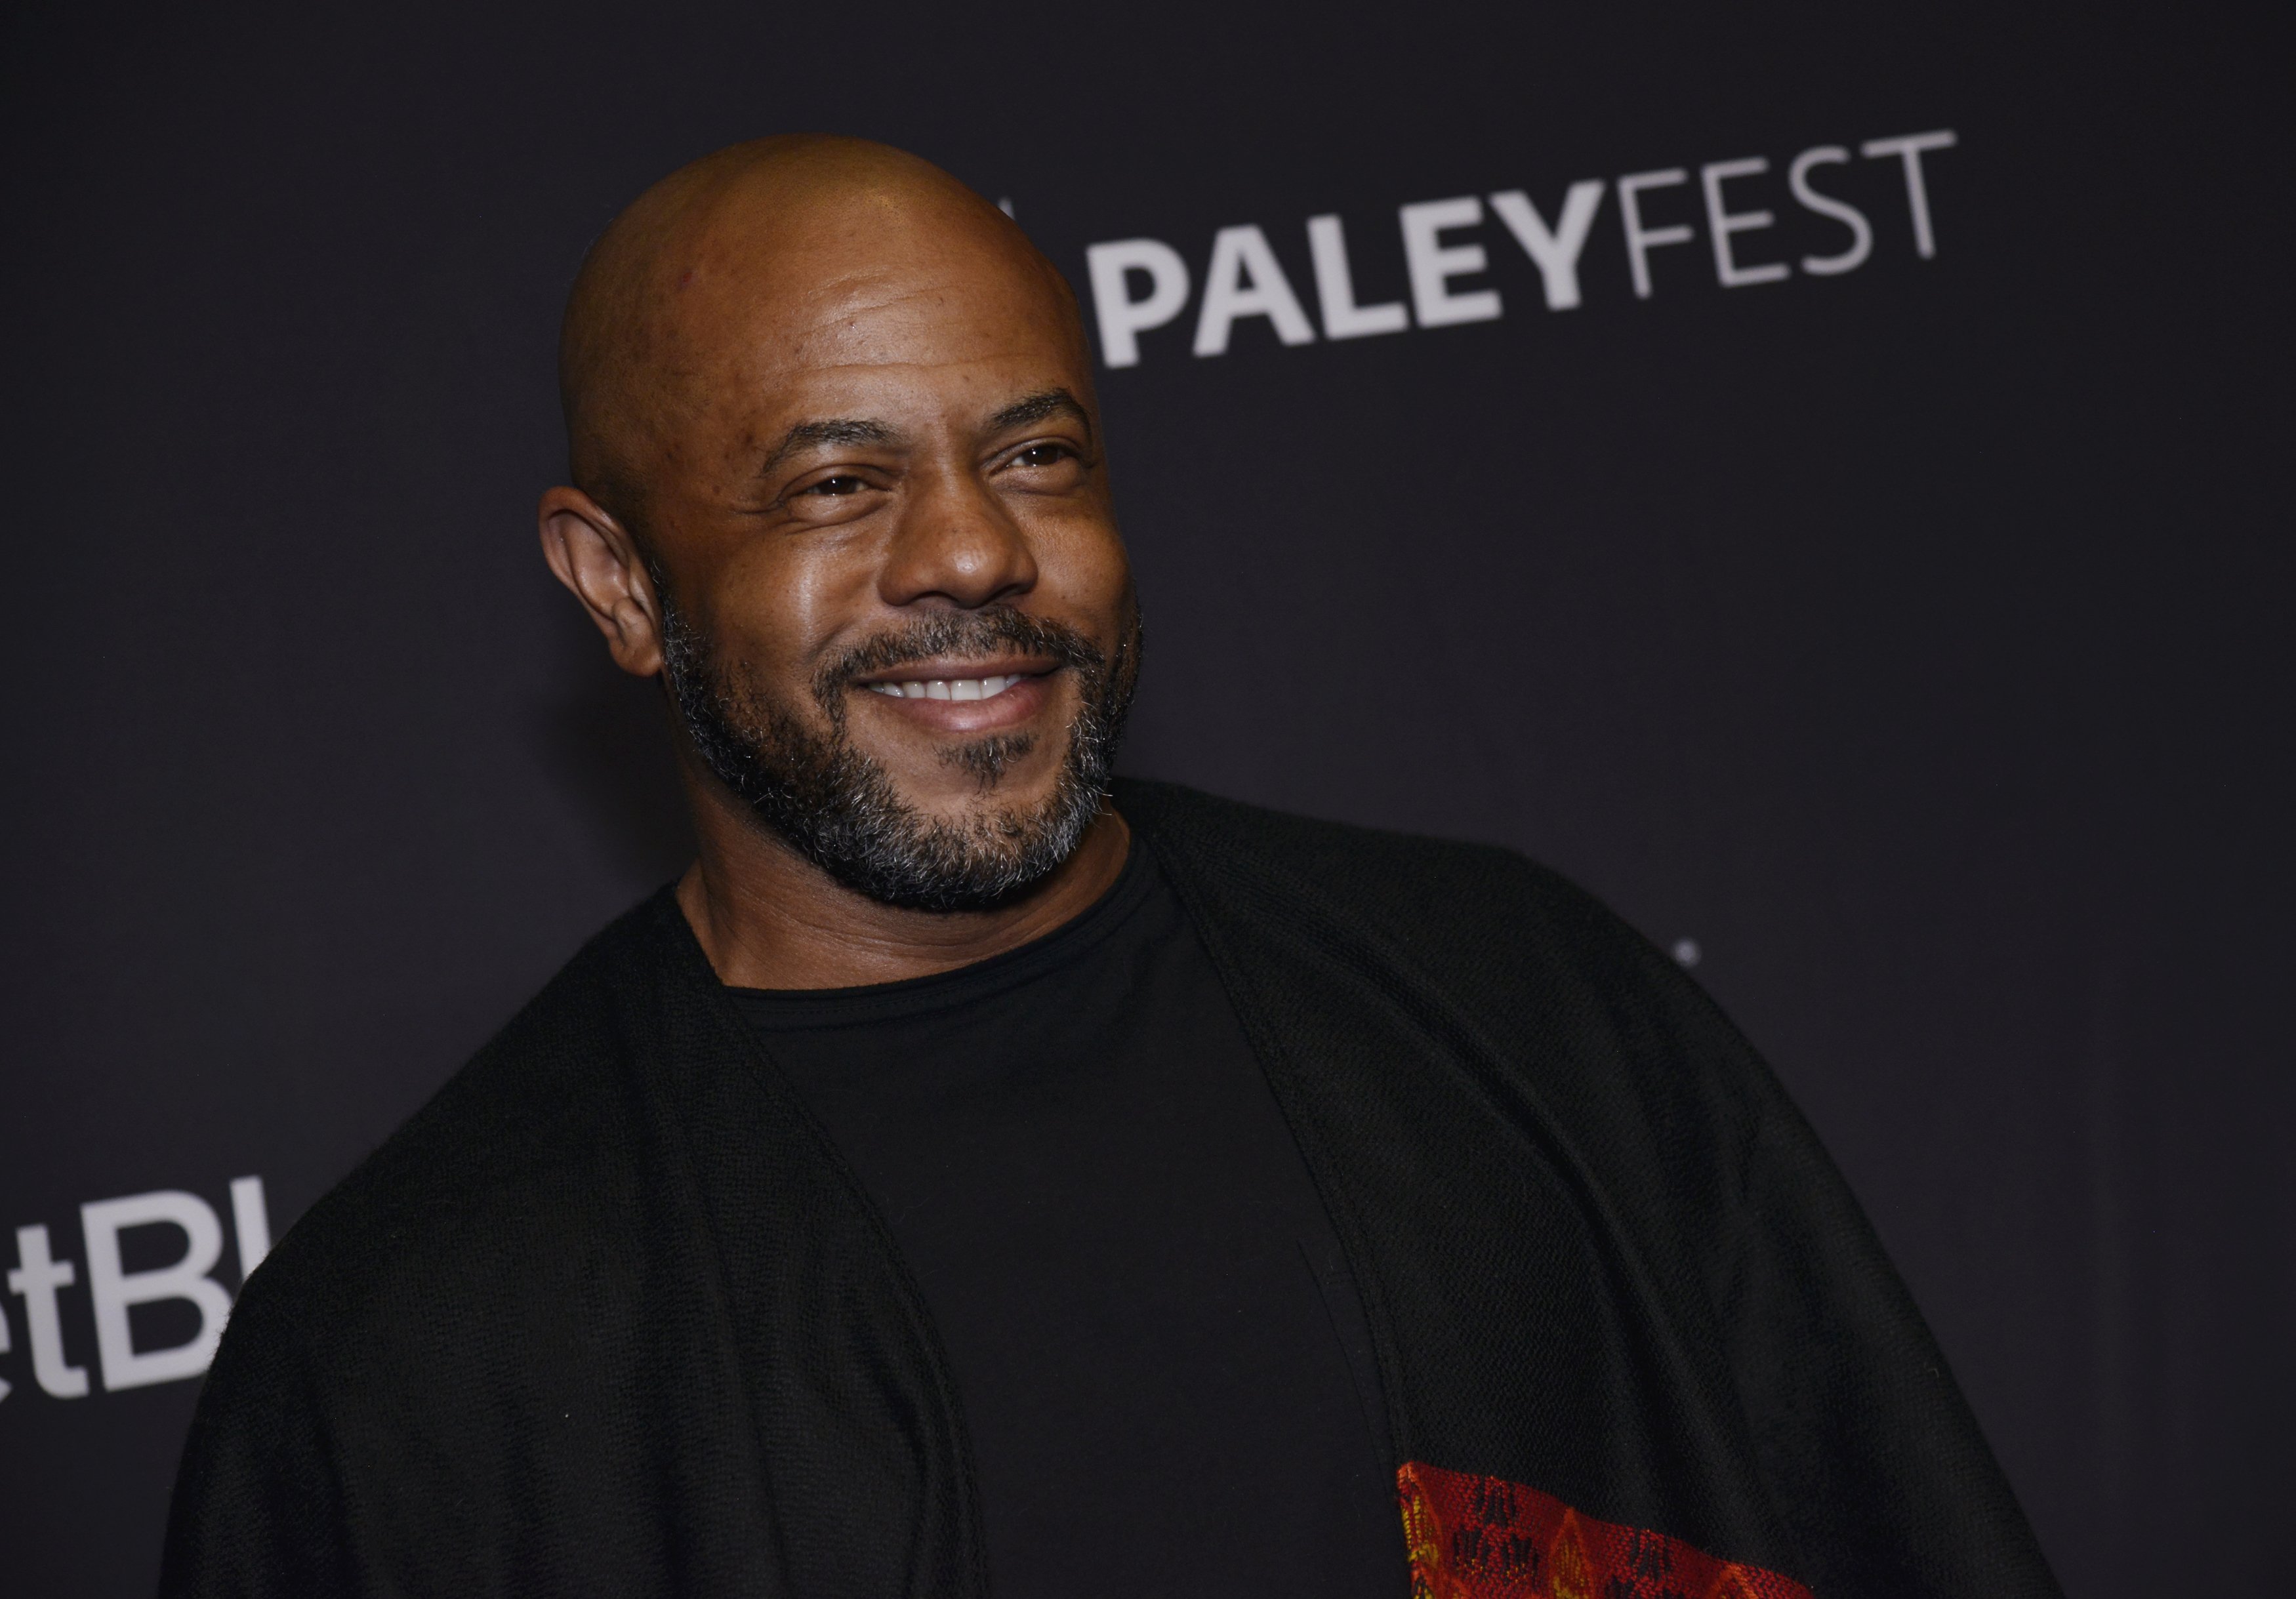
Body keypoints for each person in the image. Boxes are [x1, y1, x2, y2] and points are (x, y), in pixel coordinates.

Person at [159, 136, 2061, 1599]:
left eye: (1038, 457)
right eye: (838, 482)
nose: (973, 555)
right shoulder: (429, 1342)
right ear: (616, 583)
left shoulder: (1524, 1003)